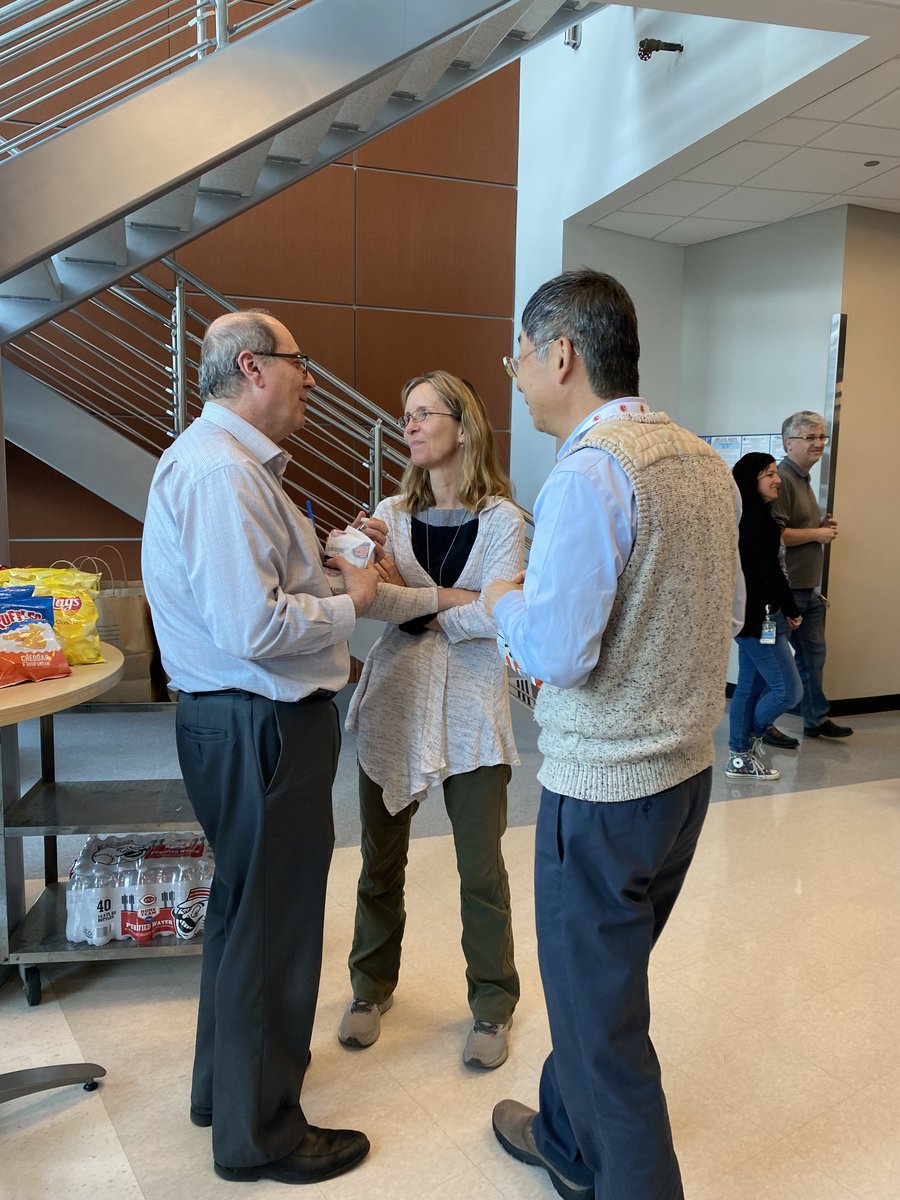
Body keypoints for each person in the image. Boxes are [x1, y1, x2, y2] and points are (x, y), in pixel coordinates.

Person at [142, 310, 471, 1184]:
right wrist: (351, 600)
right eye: (299, 363)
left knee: (244, 915)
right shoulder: (225, 474)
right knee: (274, 929)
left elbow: (256, 591)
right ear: (253, 367)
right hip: (259, 723)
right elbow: (252, 627)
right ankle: (263, 1135)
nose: (312, 379)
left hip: (239, 722)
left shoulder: (228, 466)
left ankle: (227, 1094)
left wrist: (329, 564)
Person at [482, 269, 742, 1200]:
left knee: (603, 1019)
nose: (516, 373)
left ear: (561, 354)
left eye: (519, 354)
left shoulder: (590, 471)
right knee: (598, 987)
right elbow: (727, 611)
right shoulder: (704, 462)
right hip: (683, 780)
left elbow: (559, 652)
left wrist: (503, 599)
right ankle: (565, 1133)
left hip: (603, 791)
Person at [338, 370, 524, 1069]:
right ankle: (369, 988)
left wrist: (413, 598)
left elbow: (498, 619)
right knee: (379, 864)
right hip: (395, 702)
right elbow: (374, 603)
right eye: (406, 414)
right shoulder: (389, 512)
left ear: (463, 426)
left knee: (482, 870)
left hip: (473, 710)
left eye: (424, 413)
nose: (410, 426)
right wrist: (457, 597)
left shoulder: (504, 520)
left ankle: (493, 1002)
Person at [769, 410, 852, 740]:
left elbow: (797, 528)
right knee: (772, 663)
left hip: (808, 589)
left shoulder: (803, 479)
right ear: (788, 443)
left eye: (821, 437)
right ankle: (763, 724)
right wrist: (817, 534)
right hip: (787, 592)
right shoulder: (782, 479)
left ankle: (815, 719)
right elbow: (777, 536)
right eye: (810, 437)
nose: (818, 443)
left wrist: (819, 527)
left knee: (813, 659)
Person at [726, 453, 803, 781]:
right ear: (751, 480)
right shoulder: (754, 520)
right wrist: (793, 608)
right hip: (758, 618)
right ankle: (748, 740)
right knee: (789, 691)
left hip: (756, 616)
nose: (777, 479)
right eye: (769, 474)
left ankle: (739, 757)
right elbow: (770, 573)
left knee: (748, 687)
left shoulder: (748, 514)